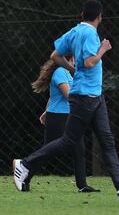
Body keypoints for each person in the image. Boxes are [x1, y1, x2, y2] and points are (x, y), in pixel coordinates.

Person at [13, 0, 119, 201]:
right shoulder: (91, 34)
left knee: (107, 141)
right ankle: (26, 164)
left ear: (83, 14)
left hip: (93, 95)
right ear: (99, 16)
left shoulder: (74, 32)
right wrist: (103, 49)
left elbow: (55, 55)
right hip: (85, 96)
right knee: (68, 142)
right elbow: (89, 62)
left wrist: (72, 70)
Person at [30, 58, 99, 193]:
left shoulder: (66, 73)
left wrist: (45, 112)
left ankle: (82, 185)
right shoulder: (60, 72)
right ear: (68, 59)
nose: (76, 61)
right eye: (74, 59)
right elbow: (68, 95)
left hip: (66, 116)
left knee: (78, 149)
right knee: (47, 152)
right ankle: (25, 169)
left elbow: (53, 95)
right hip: (59, 118)